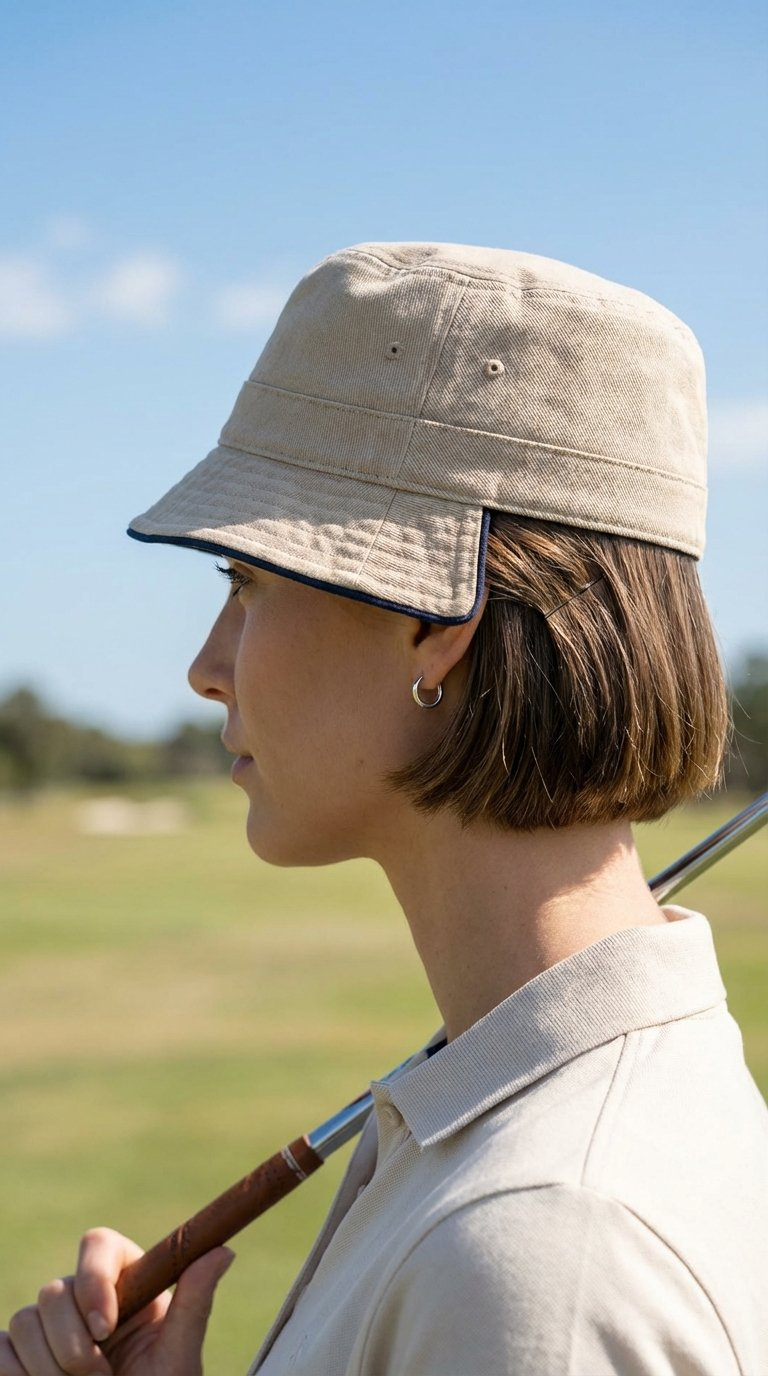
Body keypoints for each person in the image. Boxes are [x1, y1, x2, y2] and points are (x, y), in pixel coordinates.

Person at [2, 242, 766, 1376]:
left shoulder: (542, 1256)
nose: (207, 668)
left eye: (245, 582)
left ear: (436, 622)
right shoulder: (542, 1140)